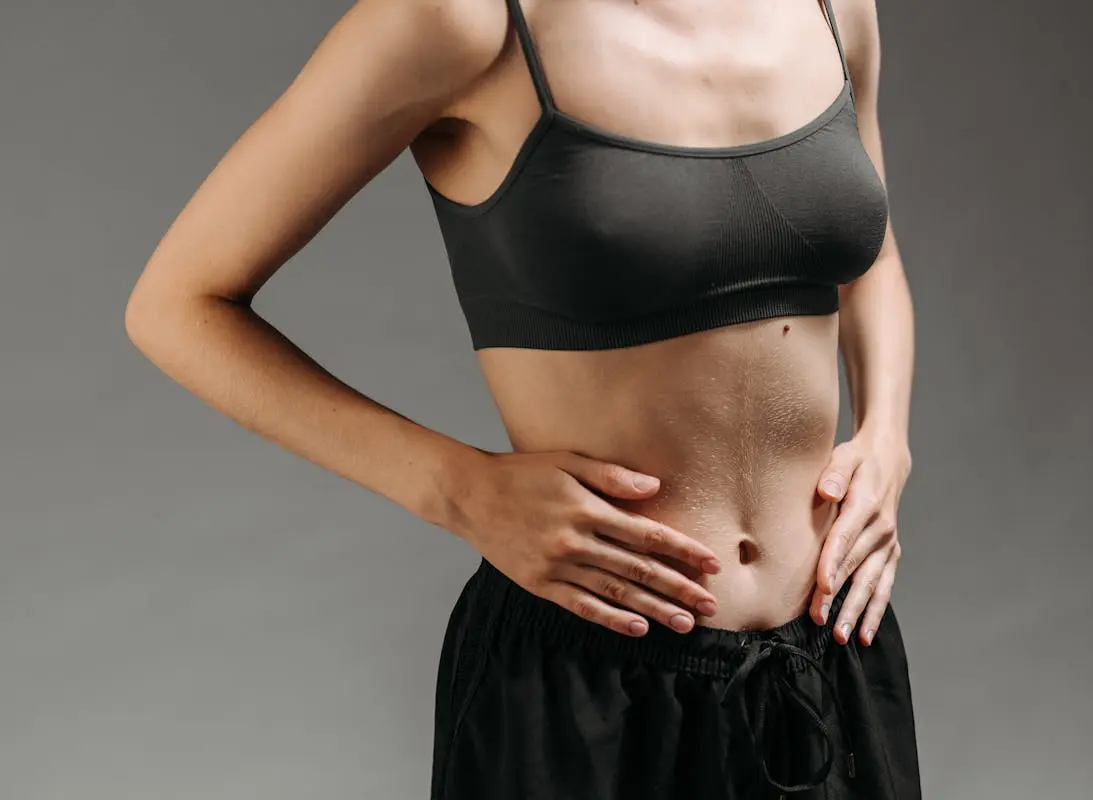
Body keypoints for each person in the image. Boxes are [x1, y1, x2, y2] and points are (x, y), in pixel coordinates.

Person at [124, 0, 920, 797]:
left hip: (830, 652)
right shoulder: (461, 21)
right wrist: (456, 488)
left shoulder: (832, 8)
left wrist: (887, 434)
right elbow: (178, 305)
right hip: (591, 683)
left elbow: (868, 247)